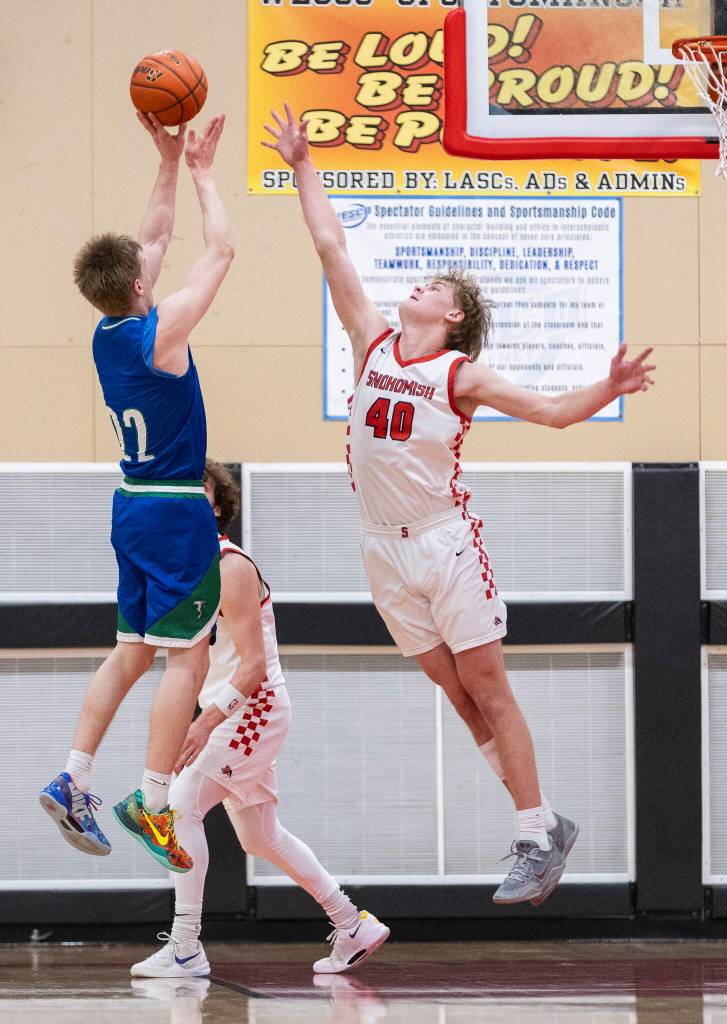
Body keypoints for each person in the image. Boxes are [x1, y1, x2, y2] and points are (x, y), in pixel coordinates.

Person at [263, 104, 656, 904]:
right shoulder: (371, 339)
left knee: (488, 685)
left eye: (438, 287)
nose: (423, 283)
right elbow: (331, 247)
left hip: (443, 544)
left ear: (452, 320)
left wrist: (607, 388)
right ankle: (547, 820)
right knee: (455, 691)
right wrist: (304, 165)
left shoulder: (461, 376)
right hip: (380, 547)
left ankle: (531, 834)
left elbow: (548, 411)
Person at [39, 112, 235, 874]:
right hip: (179, 508)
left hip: (127, 504)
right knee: (186, 661)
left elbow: (147, 243)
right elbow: (220, 251)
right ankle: (153, 802)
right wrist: (202, 170)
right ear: (141, 286)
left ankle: (74, 774)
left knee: (128, 653)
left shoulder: (106, 332)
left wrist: (162, 161)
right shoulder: (165, 334)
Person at [130, 460, 389, 977]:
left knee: (179, 812)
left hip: (253, 709)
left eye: (197, 489)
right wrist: (190, 718)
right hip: (227, 710)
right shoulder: (187, 573)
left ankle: (185, 946)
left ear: (218, 505)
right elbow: (196, 664)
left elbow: (250, 666)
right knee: (260, 837)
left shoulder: (231, 565)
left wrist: (206, 723)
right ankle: (351, 922)